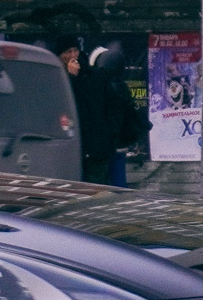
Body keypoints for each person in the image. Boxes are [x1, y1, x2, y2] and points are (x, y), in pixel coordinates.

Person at [52, 35, 146, 187]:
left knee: (93, 189)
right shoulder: (54, 78)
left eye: (74, 50)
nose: (72, 56)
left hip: (95, 150)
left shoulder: (94, 76)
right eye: (67, 52)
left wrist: (107, 138)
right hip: (67, 149)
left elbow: (106, 108)